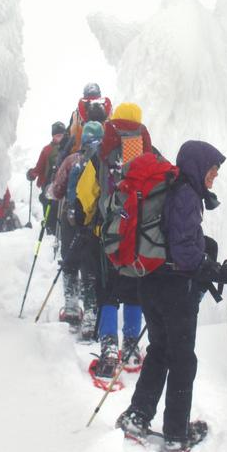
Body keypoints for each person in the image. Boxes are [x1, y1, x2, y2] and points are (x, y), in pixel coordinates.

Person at [115, 140, 227, 452]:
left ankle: (137, 416)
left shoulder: (172, 189)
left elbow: (178, 240)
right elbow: (185, 251)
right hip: (175, 289)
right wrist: (217, 271)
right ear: (198, 167)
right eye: (212, 171)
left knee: (160, 351)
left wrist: (207, 252)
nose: (213, 178)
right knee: (182, 360)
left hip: (151, 284)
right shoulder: (186, 194)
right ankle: (176, 434)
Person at [76, 102, 153, 381]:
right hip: (140, 237)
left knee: (107, 291)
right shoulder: (150, 153)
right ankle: (131, 345)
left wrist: (87, 218)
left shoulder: (102, 154)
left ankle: (108, 347)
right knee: (134, 289)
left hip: (106, 235)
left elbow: (86, 193)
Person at [51, 120, 104, 339]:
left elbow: (57, 190)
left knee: (70, 263)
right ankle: (92, 317)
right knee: (91, 269)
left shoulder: (72, 160)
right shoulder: (104, 161)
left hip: (71, 221)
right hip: (93, 223)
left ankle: (72, 309)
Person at [26, 121, 65, 234]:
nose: (60, 138)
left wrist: (32, 174)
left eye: (61, 135)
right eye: (58, 135)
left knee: (50, 208)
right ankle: (51, 229)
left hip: (52, 184)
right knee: (52, 208)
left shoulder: (48, 149)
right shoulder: (47, 150)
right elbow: (40, 166)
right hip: (51, 184)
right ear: (53, 136)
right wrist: (33, 173)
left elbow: (39, 168)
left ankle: (51, 229)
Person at [61, 83, 112, 157]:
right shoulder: (109, 113)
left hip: (79, 157)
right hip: (104, 158)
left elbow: (67, 139)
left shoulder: (76, 115)